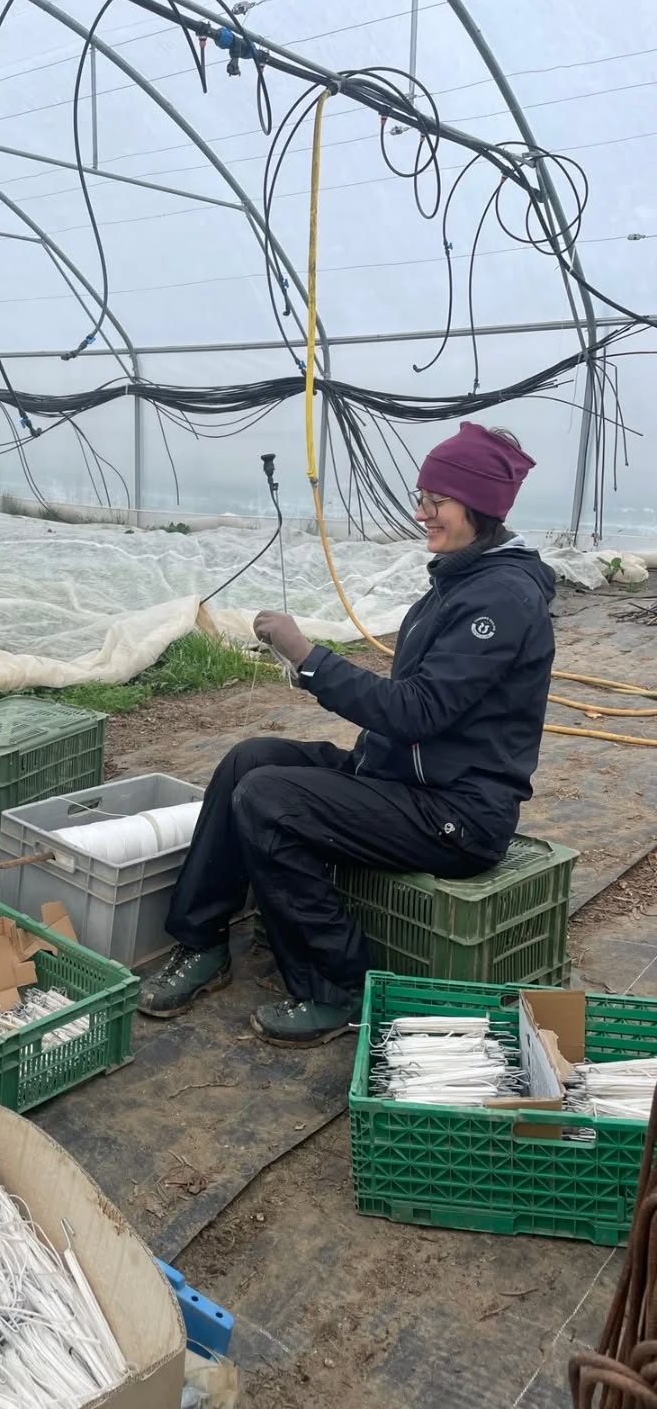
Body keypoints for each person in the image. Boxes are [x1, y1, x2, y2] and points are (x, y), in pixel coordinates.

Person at [138, 422, 556, 1047]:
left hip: (457, 813)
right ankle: (201, 942)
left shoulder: (502, 601)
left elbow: (417, 711)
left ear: (479, 507)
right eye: (422, 498)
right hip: (402, 779)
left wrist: (309, 657)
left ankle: (338, 990)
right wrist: (313, 661)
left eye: (435, 501)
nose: (422, 514)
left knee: (270, 800)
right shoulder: (460, 580)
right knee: (248, 761)